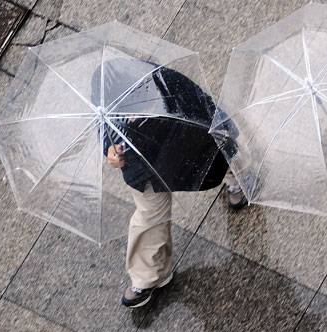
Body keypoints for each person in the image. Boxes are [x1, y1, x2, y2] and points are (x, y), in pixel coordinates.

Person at [98, 59, 246, 308]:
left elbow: (205, 116)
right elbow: (103, 128)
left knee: (214, 159)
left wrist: (223, 134)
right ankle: (148, 276)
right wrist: (109, 150)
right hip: (140, 163)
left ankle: (238, 178)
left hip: (182, 138)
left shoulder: (164, 81)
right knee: (148, 215)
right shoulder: (103, 85)